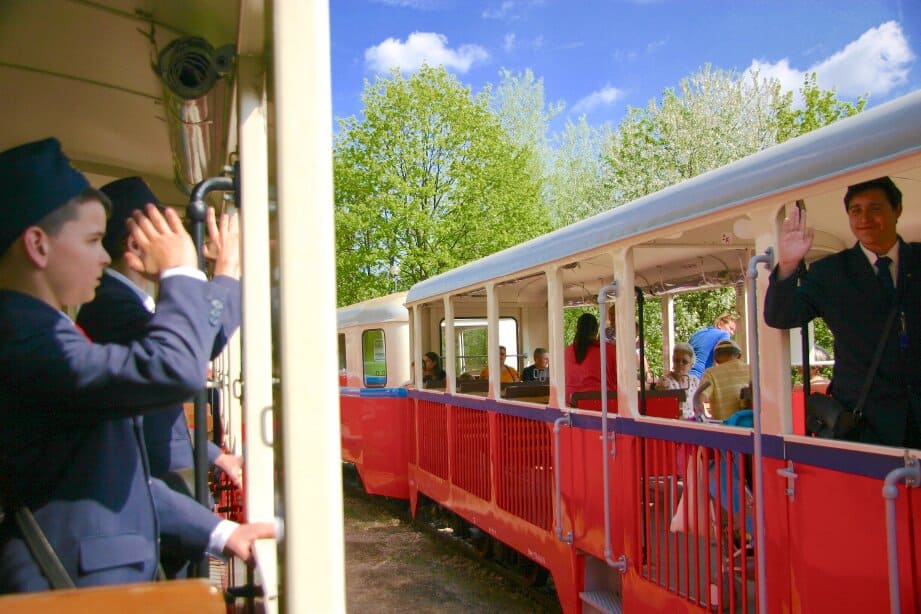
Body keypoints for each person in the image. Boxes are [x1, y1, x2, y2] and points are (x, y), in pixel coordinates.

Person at [0, 138, 272, 593]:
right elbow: (173, 367)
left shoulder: (43, 332)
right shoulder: (23, 336)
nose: (104, 256)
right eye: (91, 240)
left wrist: (223, 532)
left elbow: (115, 476)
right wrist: (181, 271)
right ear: (38, 245)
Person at [76, 177, 244, 578]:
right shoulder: (112, 308)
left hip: (162, 488)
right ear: (136, 244)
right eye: (173, 235)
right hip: (156, 491)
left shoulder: (125, 304)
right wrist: (225, 275)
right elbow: (193, 353)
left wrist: (216, 455)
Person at [764, 176, 921, 447]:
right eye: (855, 210)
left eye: (875, 208)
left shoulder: (918, 260)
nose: (864, 218)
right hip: (865, 425)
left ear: (897, 210)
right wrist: (788, 264)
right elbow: (781, 316)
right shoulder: (831, 273)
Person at [565, 313, 617, 405]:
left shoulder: (566, 352)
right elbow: (621, 379)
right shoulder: (609, 350)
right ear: (596, 330)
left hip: (571, 406)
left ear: (577, 329)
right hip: (605, 406)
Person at [692, 339, 750, 421]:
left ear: (716, 359)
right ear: (739, 356)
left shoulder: (711, 373)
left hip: (724, 426)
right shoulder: (752, 369)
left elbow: (701, 398)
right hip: (753, 425)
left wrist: (706, 418)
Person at [656, 342, 700, 419]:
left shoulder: (694, 381)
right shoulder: (665, 381)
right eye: (677, 360)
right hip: (674, 423)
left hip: (693, 421)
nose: (680, 364)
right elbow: (663, 410)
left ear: (691, 364)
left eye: (684, 361)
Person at [688, 313, 737, 379]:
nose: (732, 333)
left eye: (733, 331)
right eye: (731, 328)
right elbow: (721, 360)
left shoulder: (697, 334)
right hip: (701, 378)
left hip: (686, 377)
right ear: (720, 324)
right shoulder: (724, 334)